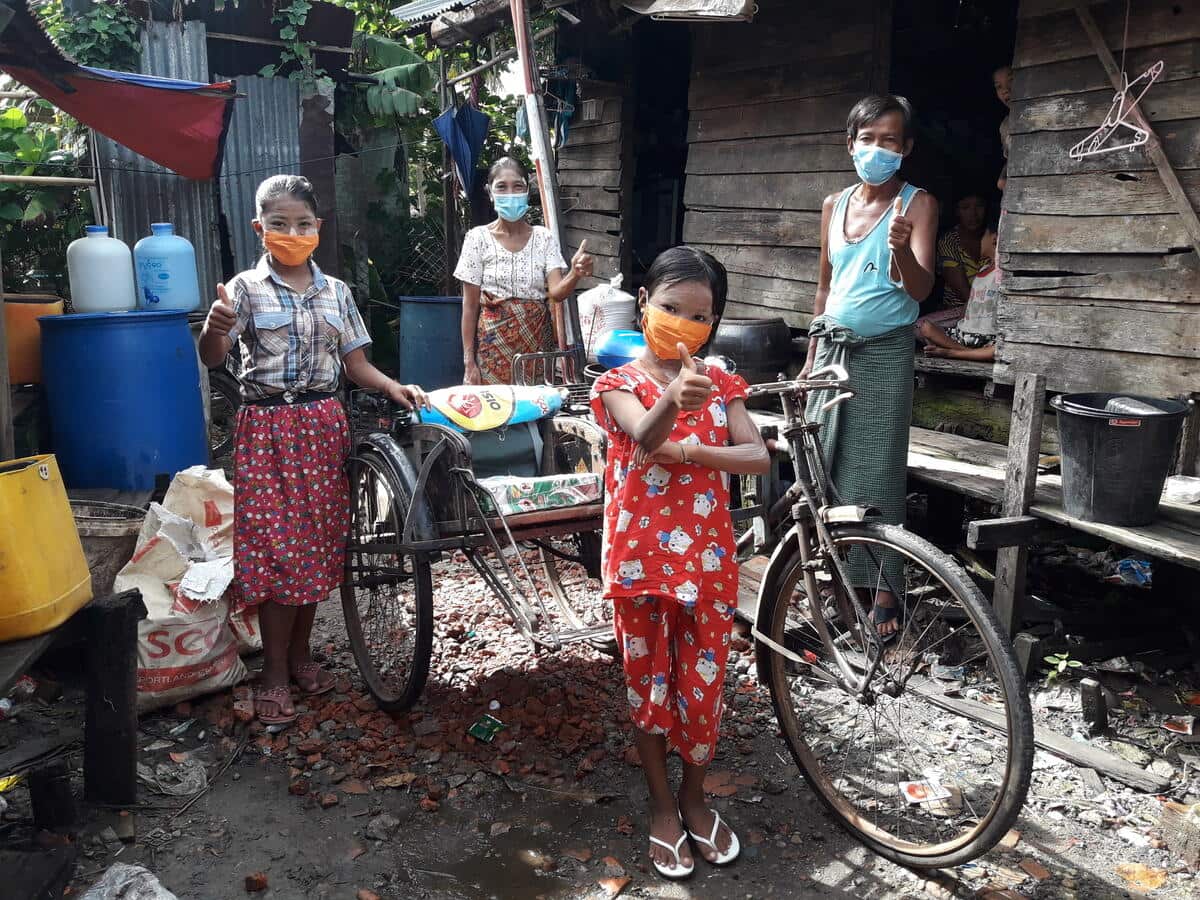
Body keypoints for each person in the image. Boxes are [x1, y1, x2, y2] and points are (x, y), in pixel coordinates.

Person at [198, 174, 427, 725]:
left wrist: (392, 385)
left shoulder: (337, 292)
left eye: (302, 223)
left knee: (320, 548)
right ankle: (273, 674)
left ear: (318, 229)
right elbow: (213, 357)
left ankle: (300, 657)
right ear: (260, 228)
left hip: (325, 426)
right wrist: (212, 327)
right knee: (279, 554)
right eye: (279, 224)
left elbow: (355, 364)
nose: (292, 232)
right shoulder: (244, 290)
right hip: (268, 431)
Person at [590, 247, 769, 880]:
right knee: (649, 685)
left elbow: (757, 458)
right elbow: (642, 436)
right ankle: (663, 809)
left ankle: (695, 800)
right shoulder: (615, 384)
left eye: (700, 316)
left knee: (703, 686)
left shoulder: (723, 383)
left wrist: (688, 448)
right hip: (640, 563)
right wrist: (672, 402)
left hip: (711, 563)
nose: (684, 324)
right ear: (644, 303)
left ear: (714, 323)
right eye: (670, 308)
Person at [799, 95, 938, 638]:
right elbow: (825, 287)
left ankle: (884, 592)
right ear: (849, 142)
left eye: (889, 140)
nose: (876, 149)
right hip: (830, 349)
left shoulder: (917, 203)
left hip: (884, 351)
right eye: (867, 138)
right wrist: (811, 356)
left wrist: (901, 249)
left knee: (877, 468)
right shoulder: (833, 204)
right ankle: (837, 585)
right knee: (824, 463)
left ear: (905, 149)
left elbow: (921, 288)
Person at [456, 157, 593, 385]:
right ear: (490, 192)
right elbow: (469, 307)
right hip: (493, 348)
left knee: (533, 409)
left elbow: (557, 292)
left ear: (527, 190)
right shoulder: (477, 239)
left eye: (517, 186)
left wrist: (575, 273)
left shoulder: (544, 238)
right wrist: (469, 361)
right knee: (496, 412)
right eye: (502, 187)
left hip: (536, 347)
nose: (510, 193)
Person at [920, 208, 1000, 362]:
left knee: (1003, 349)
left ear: (994, 240)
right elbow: (969, 302)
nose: (977, 240)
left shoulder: (1002, 273)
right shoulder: (982, 271)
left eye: (981, 236)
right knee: (926, 327)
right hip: (964, 333)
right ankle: (969, 353)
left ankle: (953, 353)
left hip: (988, 336)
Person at [937, 187, 988, 311]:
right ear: (957, 211)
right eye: (965, 208)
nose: (973, 214)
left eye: (979, 206)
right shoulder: (949, 241)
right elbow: (963, 292)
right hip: (957, 310)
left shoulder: (993, 237)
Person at [994, 64, 1013, 192]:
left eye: (1011, 80)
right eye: (999, 86)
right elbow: (1010, 159)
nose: (1005, 90)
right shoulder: (1005, 126)